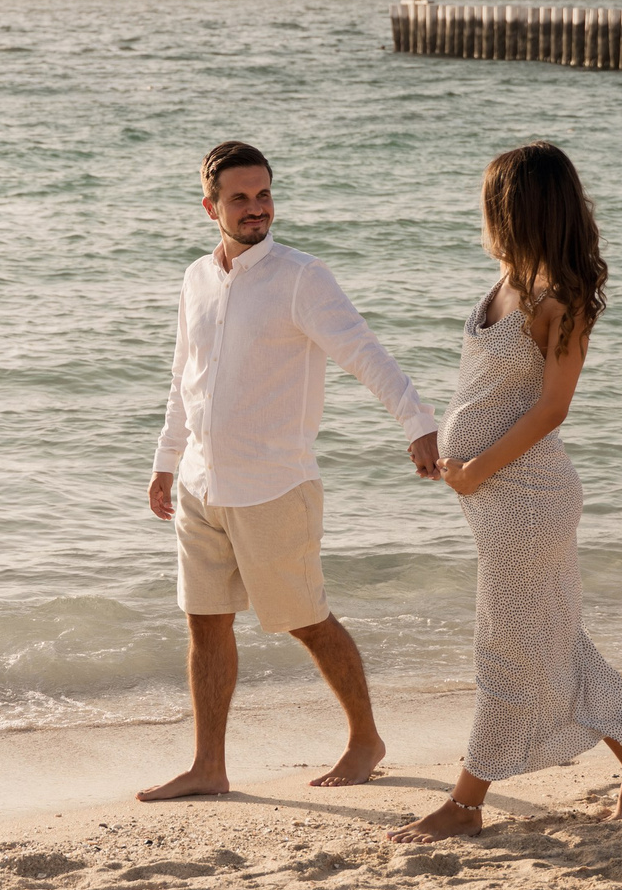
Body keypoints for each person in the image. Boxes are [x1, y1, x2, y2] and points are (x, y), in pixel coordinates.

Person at [141, 140, 443, 802]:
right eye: (241, 198)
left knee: (306, 621)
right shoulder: (195, 278)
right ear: (210, 207)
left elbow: (364, 351)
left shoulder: (302, 278)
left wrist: (418, 423)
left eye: (264, 195)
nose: (257, 209)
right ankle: (209, 766)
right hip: (200, 484)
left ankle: (366, 739)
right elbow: (181, 382)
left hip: (275, 485)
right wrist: (165, 463)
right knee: (205, 622)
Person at [392, 142, 622, 841]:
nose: (479, 213)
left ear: (515, 211)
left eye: (489, 201)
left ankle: (464, 803)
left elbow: (552, 409)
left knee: (507, 648)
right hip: (492, 493)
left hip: (529, 498)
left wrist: (477, 466)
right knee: (553, 640)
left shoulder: (558, 299)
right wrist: (442, 444)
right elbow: (485, 389)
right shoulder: (505, 283)